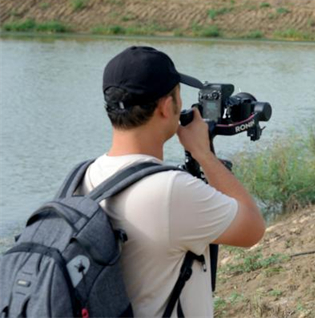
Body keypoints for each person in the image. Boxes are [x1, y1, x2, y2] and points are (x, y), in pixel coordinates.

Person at [79, 46, 266, 317]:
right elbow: (252, 229)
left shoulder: (83, 176)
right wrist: (203, 153)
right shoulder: (171, 191)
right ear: (167, 107)